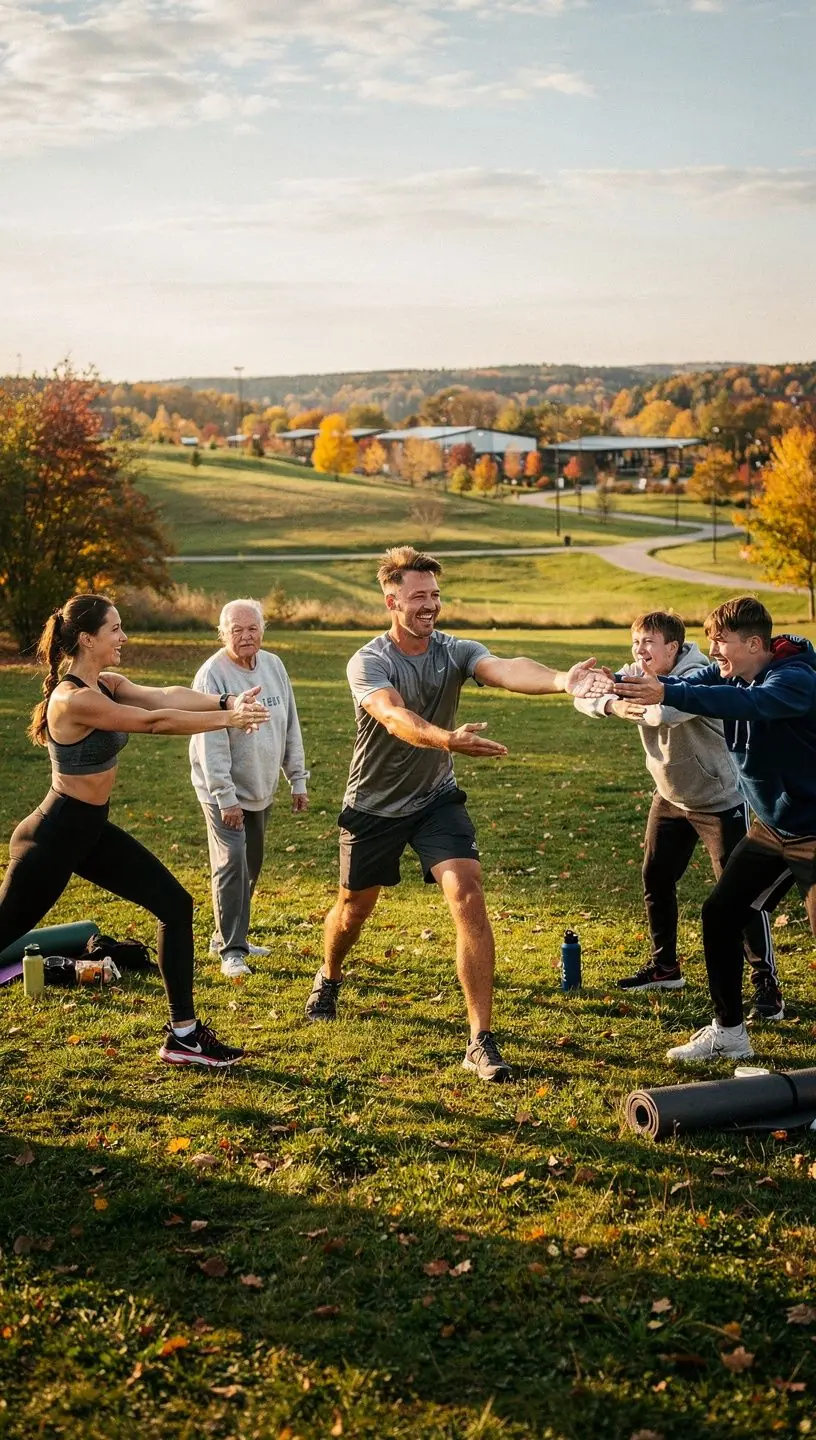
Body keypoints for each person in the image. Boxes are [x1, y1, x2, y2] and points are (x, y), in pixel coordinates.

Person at [304, 545, 612, 1082]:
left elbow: (503, 668)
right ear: (391, 600)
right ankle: (329, 974)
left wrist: (562, 680)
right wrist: (446, 738)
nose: (430, 605)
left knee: (467, 892)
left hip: (435, 799)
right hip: (374, 806)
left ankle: (479, 1039)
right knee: (353, 910)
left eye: (435, 595)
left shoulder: (454, 649)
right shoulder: (370, 660)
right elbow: (393, 716)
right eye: (418, 596)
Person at [0, 594, 270, 1068]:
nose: (123, 637)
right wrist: (227, 719)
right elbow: (153, 722)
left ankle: (183, 1036)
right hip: (53, 837)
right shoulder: (73, 699)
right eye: (115, 629)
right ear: (87, 638)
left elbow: (164, 697)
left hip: (90, 832)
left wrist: (226, 699)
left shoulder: (105, 683)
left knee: (174, 904)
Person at [617, 596, 816, 1064]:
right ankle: (729, 1033)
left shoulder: (795, 680)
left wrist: (669, 694)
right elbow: (686, 684)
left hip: (814, 833)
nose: (713, 651)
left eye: (720, 642)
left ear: (753, 643)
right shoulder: (731, 671)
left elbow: (750, 703)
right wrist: (622, 684)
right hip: (772, 828)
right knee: (720, 913)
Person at [574, 610, 781, 1016]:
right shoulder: (636, 670)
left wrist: (619, 695)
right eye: (636, 642)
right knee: (656, 876)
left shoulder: (703, 672)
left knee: (738, 897)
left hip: (719, 800)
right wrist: (610, 704)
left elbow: (666, 710)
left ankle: (765, 986)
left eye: (648, 642)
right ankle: (665, 965)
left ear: (673, 646)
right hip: (670, 797)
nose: (639, 651)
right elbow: (583, 697)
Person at [190, 599, 309, 978]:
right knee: (231, 865)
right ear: (223, 633)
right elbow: (211, 742)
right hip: (221, 790)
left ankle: (226, 933)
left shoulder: (274, 666)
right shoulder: (213, 675)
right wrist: (225, 797)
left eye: (252, 628)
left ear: (263, 630)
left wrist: (298, 777)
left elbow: (290, 723)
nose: (245, 636)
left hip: (261, 785)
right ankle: (232, 951)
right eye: (236, 630)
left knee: (251, 864)